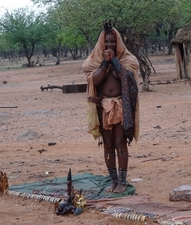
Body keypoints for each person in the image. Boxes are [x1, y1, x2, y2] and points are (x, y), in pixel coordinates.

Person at [82, 21, 139, 193]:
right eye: (106, 42)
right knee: (107, 145)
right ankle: (113, 180)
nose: (109, 45)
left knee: (120, 142)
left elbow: (124, 77)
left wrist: (113, 60)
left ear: (118, 42)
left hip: (121, 106)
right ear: (101, 43)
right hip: (103, 107)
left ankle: (122, 180)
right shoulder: (94, 61)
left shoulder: (128, 60)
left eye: (113, 42)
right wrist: (105, 63)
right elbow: (95, 80)